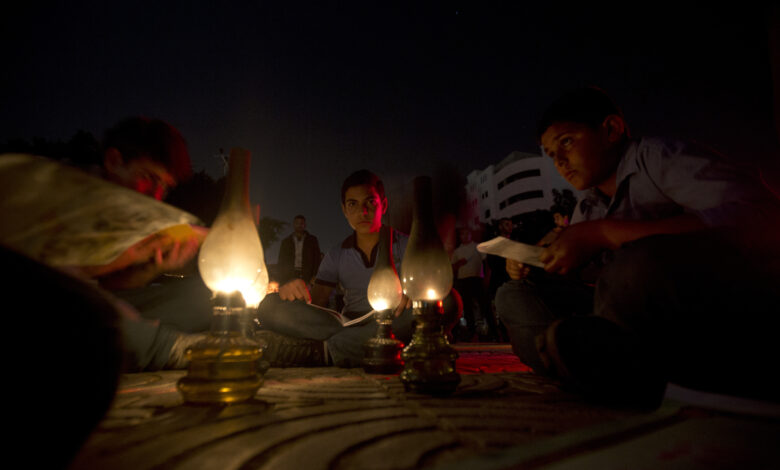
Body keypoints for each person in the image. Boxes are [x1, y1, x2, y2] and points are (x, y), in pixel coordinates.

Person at [495, 86, 780, 408]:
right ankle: (587, 364)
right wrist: (542, 260)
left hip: (707, 309)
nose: (560, 161)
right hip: (625, 312)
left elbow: (763, 216)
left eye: (567, 142)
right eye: (550, 154)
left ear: (611, 130)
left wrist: (609, 233)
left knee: (637, 261)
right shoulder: (587, 205)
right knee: (516, 294)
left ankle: (623, 369)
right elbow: (590, 273)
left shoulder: (658, 158)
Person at [256, 169, 460, 367]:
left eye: (370, 202)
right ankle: (351, 345)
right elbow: (315, 303)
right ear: (344, 210)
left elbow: (431, 286)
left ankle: (322, 352)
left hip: (394, 319)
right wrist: (292, 291)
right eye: (353, 204)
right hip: (346, 322)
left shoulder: (409, 246)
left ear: (384, 205)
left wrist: (416, 293)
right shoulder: (336, 254)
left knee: (450, 301)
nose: (363, 212)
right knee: (269, 305)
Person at [451, 227, 499, 342]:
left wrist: (487, 277)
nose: (465, 236)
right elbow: (452, 268)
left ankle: (494, 333)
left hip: (477, 280)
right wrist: (458, 263)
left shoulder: (478, 247)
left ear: (470, 235)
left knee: (485, 306)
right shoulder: (457, 251)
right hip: (463, 281)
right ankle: (471, 333)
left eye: (467, 233)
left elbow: (486, 264)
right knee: (467, 308)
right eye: (462, 234)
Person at [276, 214, 321, 285]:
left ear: (305, 225)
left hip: (307, 275)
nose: (299, 225)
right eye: (297, 223)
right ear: (293, 225)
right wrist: (281, 278)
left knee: (306, 295)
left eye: (301, 223)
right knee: (291, 295)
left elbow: (317, 259)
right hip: (289, 275)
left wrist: (315, 275)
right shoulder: (286, 241)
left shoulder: (312, 240)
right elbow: (281, 260)